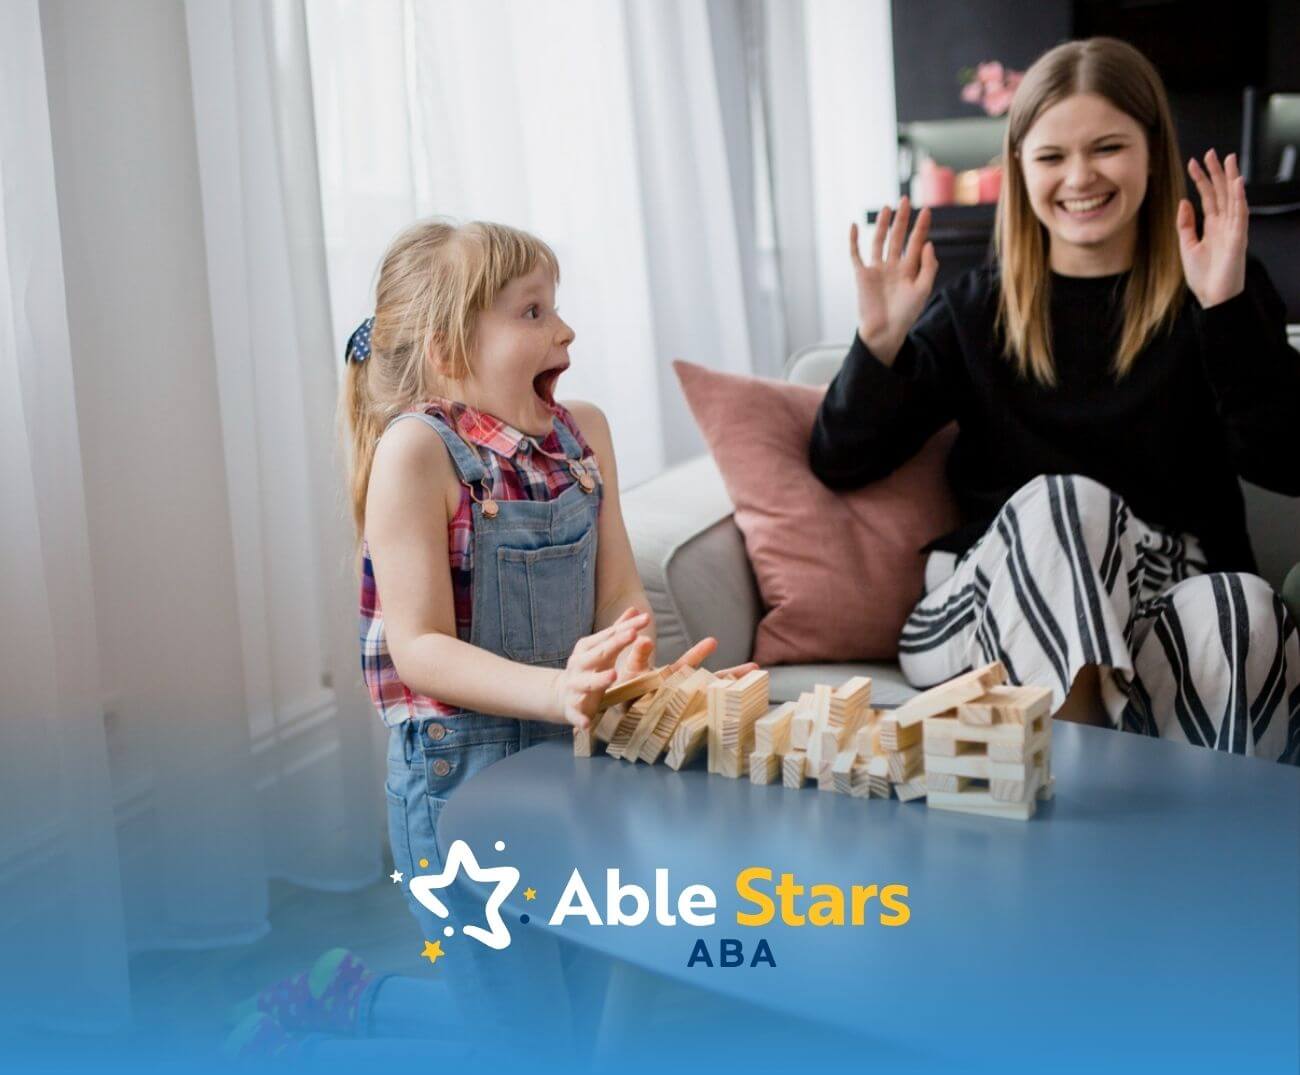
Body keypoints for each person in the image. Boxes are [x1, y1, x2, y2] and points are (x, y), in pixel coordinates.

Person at [810, 37, 1300, 762]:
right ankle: (1075, 778)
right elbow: (840, 460)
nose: (1079, 177)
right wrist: (878, 344)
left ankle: (1198, 825)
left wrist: (1225, 311)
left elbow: (1287, 462)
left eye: (1108, 148)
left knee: (1240, 609)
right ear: (1020, 168)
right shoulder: (976, 308)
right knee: (1068, 502)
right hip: (990, 604)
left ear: (1153, 152)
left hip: (1165, 589)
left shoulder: (1216, 285)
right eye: (1051, 157)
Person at [337, 218, 751, 1049]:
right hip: (459, 781)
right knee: (528, 1034)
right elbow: (420, 648)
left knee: (569, 1015)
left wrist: (635, 660)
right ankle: (325, 1027)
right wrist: (559, 688)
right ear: (449, 348)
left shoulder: (584, 434)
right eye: (532, 312)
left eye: (553, 307)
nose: (565, 331)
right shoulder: (415, 453)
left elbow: (619, 590)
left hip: (573, 768)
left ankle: (350, 997)